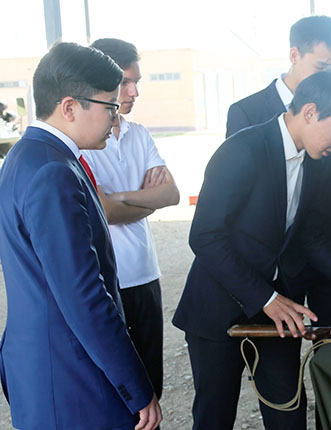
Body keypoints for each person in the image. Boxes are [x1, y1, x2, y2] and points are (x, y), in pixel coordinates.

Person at [172, 71, 331, 430]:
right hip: (218, 309)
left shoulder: (315, 160)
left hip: (280, 314)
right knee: (214, 417)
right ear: (310, 112)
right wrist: (265, 297)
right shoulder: (241, 150)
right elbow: (205, 236)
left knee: (288, 416)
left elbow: (310, 238)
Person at [0, 42, 161, 430]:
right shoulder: (53, 172)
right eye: (109, 105)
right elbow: (84, 296)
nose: (115, 115)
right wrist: (139, 388)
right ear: (70, 107)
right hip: (73, 382)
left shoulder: (27, 157)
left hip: (45, 370)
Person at [226, 15, 331, 326]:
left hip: (321, 257)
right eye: (321, 67)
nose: (328, 77)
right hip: (259, 277)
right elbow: (231, 214)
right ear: (294, 55)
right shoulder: (246, 114)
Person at [81, 38, 180, 401]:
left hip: (146, 276)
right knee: (114, 391)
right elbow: (100, 211)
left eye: (136, 81)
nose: (134, 91)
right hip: (109, 281)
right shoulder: (81, 142)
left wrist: (118, 198)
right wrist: (142, 199)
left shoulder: (139, 134)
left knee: (151, 385)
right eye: (124, 82)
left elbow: (170, 194)